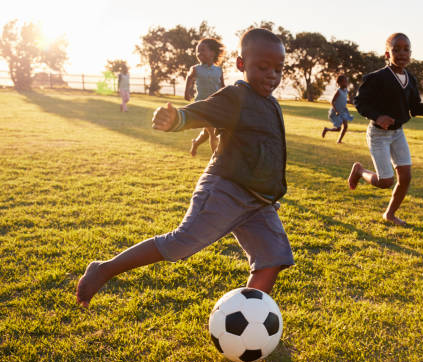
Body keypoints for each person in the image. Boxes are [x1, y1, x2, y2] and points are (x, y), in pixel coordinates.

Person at [76, 28, 293, 307]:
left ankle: (252, 314)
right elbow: (202, 110)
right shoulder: (235, 96)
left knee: (271, 259)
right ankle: (104, 269)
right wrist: (177, 118)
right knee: (181, 243)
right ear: (241, 64)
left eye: (278, 69)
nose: (272, 75)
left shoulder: (272, 104)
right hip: (226, 189)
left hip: (260, 202)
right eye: (263, 67)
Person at [347, 33, 423, 226]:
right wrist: (378, 116)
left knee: (406, 177)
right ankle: (359, 171)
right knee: (385, 181)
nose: (402, 53)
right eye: (396, 49)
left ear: (410, 53)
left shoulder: (411, 79)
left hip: (397, 134)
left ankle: (390, 214)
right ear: (387, 54)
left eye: (406, 49)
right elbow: (359, 102)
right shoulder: (377, 78)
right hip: (378, 135)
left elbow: (414, 107)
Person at [185, 38, 225, 156]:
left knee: (208, 132)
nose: (199, 53)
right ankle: (216, 159)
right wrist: (187, 92)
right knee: (213, 133)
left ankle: (195, 143)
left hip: (216, 105)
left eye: (202, 50)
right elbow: (189, 78)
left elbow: (222, 87)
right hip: (202, 106)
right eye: (197, 51)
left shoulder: (218, 70)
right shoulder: (196, 69)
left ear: (212, 53)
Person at [321, 75, 353, 143]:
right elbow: (332, 102)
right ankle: (326, 129)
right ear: (339, 83)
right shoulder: (338, 91)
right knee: (338, 129)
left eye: (346, 82)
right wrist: (336, 111)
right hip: (336, 112)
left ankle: (339, 141)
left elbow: (343, 99)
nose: (346, 83)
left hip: (343, 111)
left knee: (345, 126)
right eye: (344, 82)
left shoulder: (346, 90)